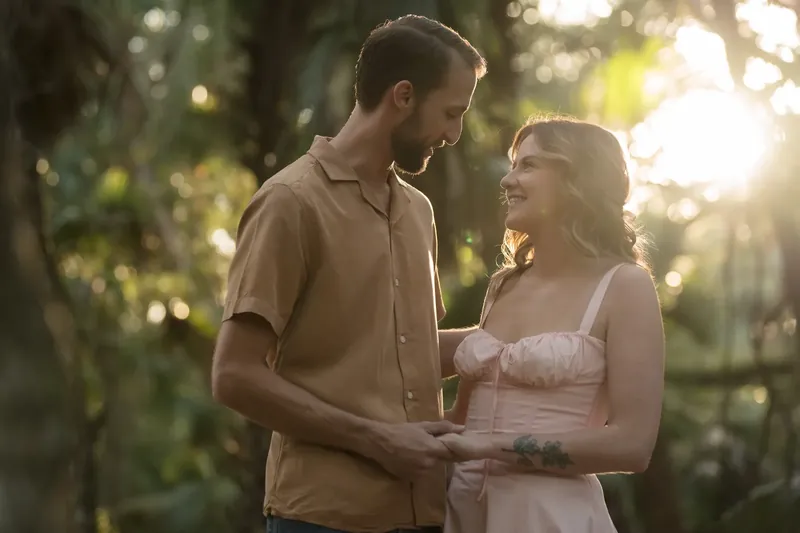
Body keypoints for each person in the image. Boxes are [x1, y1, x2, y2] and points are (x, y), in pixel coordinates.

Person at [211, 14, 487, 533]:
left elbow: (409, 353)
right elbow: (234, 375)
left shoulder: (418, 211)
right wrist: (376, 439)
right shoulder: (290, 202)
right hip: (322, 519)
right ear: (402, 96)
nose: (454, 134)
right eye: (451, 113)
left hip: (423, 515)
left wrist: (510, 340)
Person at [436, 116, 665, 533]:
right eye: (513, 165)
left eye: (528, 166)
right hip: (464, 511)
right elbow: (464, 415)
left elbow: (632, 445)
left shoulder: (625, 286)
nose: (507, 180)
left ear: (578, 180)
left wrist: (489, 447)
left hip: (548, 518)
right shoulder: (504, 284)